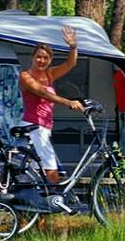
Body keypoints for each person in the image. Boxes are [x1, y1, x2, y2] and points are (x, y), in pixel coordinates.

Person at [16, 26, 84, 185]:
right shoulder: (25, 76)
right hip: (33, 124)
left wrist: (73, 46)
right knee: (50, 165)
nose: (42, 61)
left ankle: (33, 202)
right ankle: (54, 200)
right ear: (32, 57)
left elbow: (70, 64)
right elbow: (42, 93)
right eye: (39, 57)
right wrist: (68, 101)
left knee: (32, 167)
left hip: (44, 126)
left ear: (50, 60)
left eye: (45, 58)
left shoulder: (50, 74)